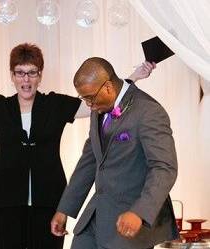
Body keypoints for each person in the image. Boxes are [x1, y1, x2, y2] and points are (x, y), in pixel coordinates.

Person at [0, 36, 155, 249]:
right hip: (6, 201)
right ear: (12, 75)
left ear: (40, 75)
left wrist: (133, 78)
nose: (26, 79)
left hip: (50, 201)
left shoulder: (55, 105)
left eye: (32, 72)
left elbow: (100, 100)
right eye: (20, 73)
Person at [51, 57, 178, 249]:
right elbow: (90, 159)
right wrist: (65, 209)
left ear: (108, 87)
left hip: (129, 222)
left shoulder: (149, 111)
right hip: (96, 217)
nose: (89, 105)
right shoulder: (98, 107)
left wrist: (140, 212)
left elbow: (164, 168)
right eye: (84, 99)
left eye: (90, 98)